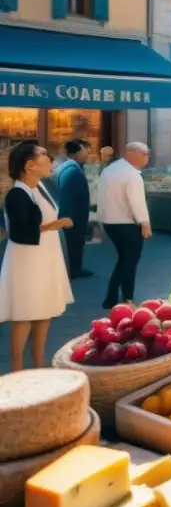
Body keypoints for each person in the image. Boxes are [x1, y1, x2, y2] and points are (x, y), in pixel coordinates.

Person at [0, 143, 74, 370]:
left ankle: (40, 365)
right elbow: (20, 232)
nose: (49, 158)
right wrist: (55, 225)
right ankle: (17, 369)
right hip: (28, 259)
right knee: (25, 314)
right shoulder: (17, 193)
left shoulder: (40, 187)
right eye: (43, 155)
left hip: (45, 256)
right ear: (29, 165)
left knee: (44, 312)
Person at [98, 142, 152, 309]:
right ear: (134, 154)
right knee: (129, 261)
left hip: (110, 222)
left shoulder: (109, 170)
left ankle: (126, 295)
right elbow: (137, 202)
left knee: (125, 259)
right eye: (145, 155)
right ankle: (113, 297)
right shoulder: (133, 175)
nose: (147, 159)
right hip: (127, 224)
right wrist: (145, 223)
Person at [56, 140, 93, 278]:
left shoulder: (68, 168)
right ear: (77, 152)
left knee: (75, 243)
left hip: (73, 215)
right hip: (73, 217)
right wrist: (67, 217)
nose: (88, 154)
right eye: (86, 150)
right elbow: (67, 195)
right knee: (74, 243)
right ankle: (73, 270)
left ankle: (74, 268)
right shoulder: (72, 171)